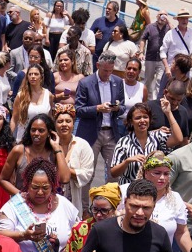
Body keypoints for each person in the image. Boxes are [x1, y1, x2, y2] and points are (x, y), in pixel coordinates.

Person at [0, 158, 79, 252]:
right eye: (35, 187)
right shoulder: (14, 206)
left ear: (52, 186)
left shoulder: (64, 204)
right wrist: (23, 235)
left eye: (45, 188)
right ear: (27, 185)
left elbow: (79, 233)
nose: (40, 192)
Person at [74, 53, 126, 199]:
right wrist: (97, 108)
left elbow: (123, 106)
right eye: (105, 70)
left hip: (111, 132)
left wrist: (117, 108)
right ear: (98, 66)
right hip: (91, 133)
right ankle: (84, 207)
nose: (108, 74)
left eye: (111, 70)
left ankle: (109, 203)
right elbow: (78, 109)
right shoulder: (85, 83)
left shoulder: (117, 81)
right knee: (87, 173)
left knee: (113, 173)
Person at [110, 103, 180, 183]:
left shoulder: (158, 136)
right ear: (131, 121)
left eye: (145, 117)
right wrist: (127, 161)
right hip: (129, 186)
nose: (142, 120)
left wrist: (168, 113)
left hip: (152, 186)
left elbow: (178, 139)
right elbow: (113, 173)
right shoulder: (123, 142)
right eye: (138, 118)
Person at [63, 182, 121, 252]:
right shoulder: (79, 229)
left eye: (104, 210)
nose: (98, 215)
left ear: (114, 209)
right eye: (95, 209)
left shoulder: (120, 229)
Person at [55, 108, 94, 215]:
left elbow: (87, 174)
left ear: (73, 124)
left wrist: (63, 170)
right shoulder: (49, 144)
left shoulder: (82, 145)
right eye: (60, 121)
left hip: (73, 200)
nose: (64, 124)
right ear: (55, 124)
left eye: (68, 121)